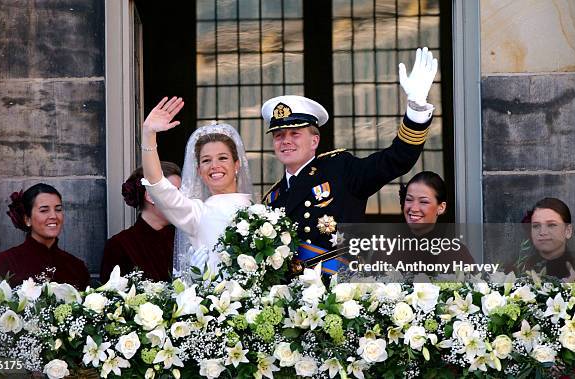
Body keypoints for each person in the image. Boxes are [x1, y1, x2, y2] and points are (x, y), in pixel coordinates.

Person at [262, 47, 438, 275]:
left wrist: (416, 108)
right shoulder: (273, 198)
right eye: (279, 136)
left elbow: (397, 159)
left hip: (342, 295)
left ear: (314, 140)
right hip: (291, 299)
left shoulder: (340, 169)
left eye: (294, 134)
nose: (285, 141)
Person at [140, 97, 253, 279]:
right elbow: (157, 185)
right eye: (206, 160)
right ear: (199, 171)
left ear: (237, 164)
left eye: (223, 158)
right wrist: (148, 134)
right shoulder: (196, 212)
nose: (215, 166)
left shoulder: (260, 209)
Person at [0, 183, 90, 289]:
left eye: (58, 209)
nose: (53, 216)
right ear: (27, 219)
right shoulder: (7, 262)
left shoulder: (76, 266)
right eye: (44, 210)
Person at [99, 162, 182, 282]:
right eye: (174, 192)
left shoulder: (183, 239)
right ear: (150, 196)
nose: (181, 200)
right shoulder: (120, 246)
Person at [397, 171, 474, 272]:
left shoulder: (457, 254)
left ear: (441, 207)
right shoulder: (386, 251)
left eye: (424, 201)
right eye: (409, 199)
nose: (414, 208)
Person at [513, 197, 575, 279]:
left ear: (568, 231)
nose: (542, 232)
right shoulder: (515, 271)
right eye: (536, 226)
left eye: (551, 225)